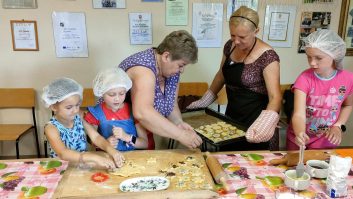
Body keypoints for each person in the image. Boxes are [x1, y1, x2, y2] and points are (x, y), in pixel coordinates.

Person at [187, 6, 282, 150]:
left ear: (256, 31)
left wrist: (264, 124)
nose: (236, 41)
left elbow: (275, 97)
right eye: (233, 35)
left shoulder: (268, 57)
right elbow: (221, 74)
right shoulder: (229, 46)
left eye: (242, 37)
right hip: (232, 120)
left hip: (256, 122)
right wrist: (205, 100)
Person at [119, 30, 202, 149]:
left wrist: (178, 123)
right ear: (166, 56)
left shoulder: (171, 71)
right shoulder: (143, 69)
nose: (182, 70)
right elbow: (142, 112)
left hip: (144, 131)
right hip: (121, 133)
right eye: (181, 65)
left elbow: (171, 105)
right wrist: (180, 135)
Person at [287, 29, 353, 150]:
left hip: (325, 140)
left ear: (335, 54)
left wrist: (338, 126)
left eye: (319, 58)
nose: (312, 63)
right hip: (299, 137)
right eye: (309, 57)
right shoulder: (304, 78)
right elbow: (299, 114)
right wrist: (300, 133)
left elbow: (348, 105)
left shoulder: (348, 79)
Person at [42, 77, 124, 169]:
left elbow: (96, 137)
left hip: (81, 166)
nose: (75, 110)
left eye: (77, 105)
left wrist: (111, 150)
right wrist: (93, 157)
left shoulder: (79, 117)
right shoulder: (51, 128)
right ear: (53, 107)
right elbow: (63, 153)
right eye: (69, 107)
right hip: (61, 169)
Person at [84, 67, 148, 151]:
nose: (117, 99)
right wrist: (105, 144)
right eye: (111, 94)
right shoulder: (96, 113)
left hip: (132, 159)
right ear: (102, 93)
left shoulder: (134, 110)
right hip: (106, 159)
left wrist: (127, 137)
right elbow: (91, 140)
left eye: (121, 93)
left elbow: (144, 144)